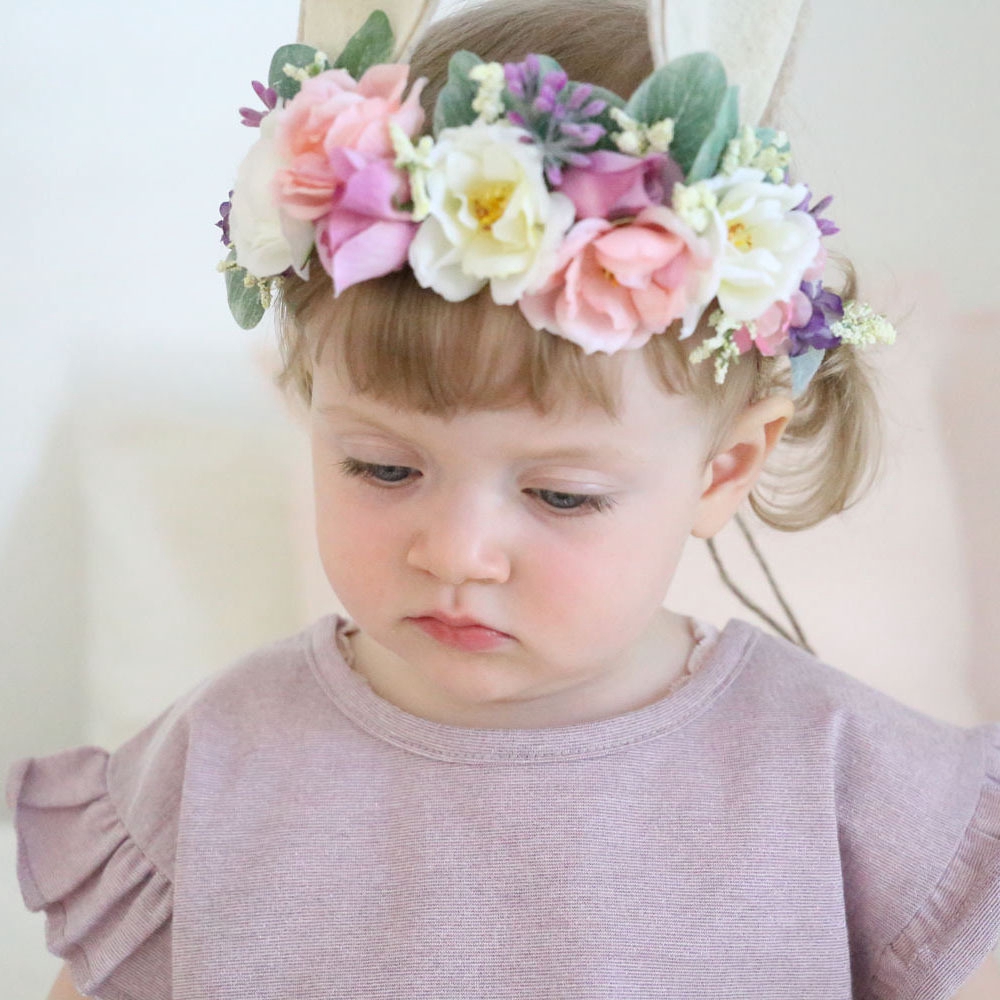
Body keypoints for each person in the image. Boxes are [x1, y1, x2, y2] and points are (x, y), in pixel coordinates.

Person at [8, 0, 1000, 997]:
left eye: (561, 494)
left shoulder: (840, 776)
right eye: (383, 469)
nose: (456, 552)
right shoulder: (217, 761)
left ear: (725, 467)